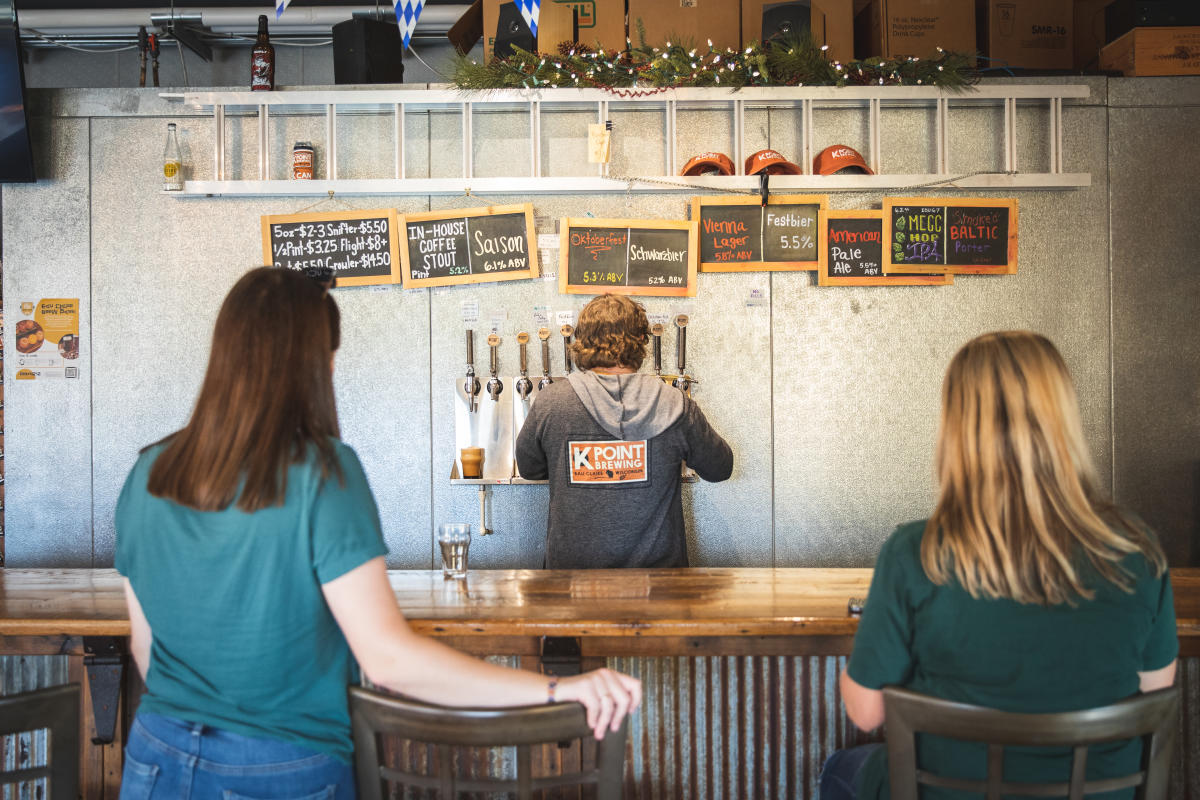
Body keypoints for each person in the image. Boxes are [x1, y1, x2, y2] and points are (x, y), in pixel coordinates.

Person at [115, 268, 641, 799]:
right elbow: (388, 661)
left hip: (155, 757)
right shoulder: (322, 473)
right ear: (315, 363)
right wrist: (560, 690)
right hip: (280, 768)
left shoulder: (149, 472)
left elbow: (146, 647)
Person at [820, 331, 1178, 800]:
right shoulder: (1136, 548)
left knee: (840, 768)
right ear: (1062, 420)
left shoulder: (914, 553)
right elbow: (1155, 691)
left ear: (956, 428)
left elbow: (865, 713)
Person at [515, 293, 733, 568]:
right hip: (660, 586)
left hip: (570, 585)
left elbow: (529, 469)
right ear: (642, 342)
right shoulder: (675, 404)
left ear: (580, 343)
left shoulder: (552, 403)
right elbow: (720, 468)